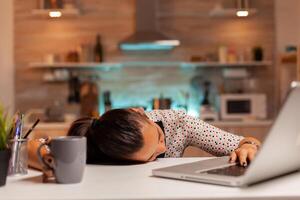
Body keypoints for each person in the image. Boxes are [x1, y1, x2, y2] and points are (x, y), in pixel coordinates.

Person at [67, 108, 260, 166]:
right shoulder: (100, 143)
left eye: (160, 137)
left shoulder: (178, 122)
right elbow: (38, 146)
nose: (164, 149)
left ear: (140, 112)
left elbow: (243, 142)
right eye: (151, 156)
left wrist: (249, 146)